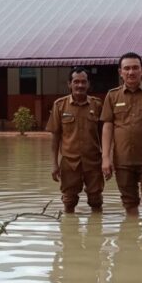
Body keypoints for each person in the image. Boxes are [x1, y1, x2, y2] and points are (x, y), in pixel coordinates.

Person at [100, 52, 142, 218]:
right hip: (123, 160)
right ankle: (131, 241)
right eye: (127, 68)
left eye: (135, 68)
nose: (131, 72)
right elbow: (107, 127)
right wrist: (105, 158)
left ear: (141, 71)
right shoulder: (112, 96)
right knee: (129, 204)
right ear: (120, 72)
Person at [46, 67, 104, 213]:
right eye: (76, 82)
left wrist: (107, 159)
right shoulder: (60, 105)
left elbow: (105, 135)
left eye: (83, 82)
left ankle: (96, 233)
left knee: (96, 200)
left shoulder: (97, 105)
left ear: (88, 84)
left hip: (93, 162)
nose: (80, 85)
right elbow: (55, 138)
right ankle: (69, 232)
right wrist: (54, 164)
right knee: (69, 201)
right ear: (69, 84)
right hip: (69, 163)